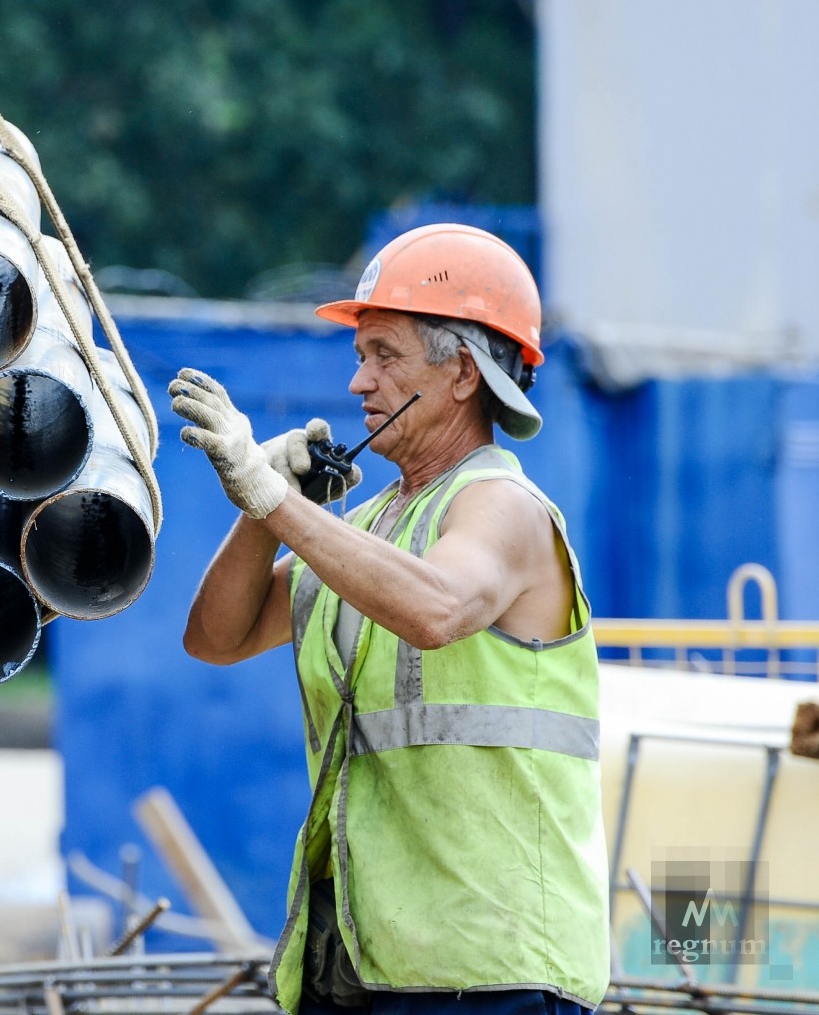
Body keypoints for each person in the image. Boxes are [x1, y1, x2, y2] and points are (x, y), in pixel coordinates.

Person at [169, 224, 609, 1015]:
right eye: (359, 356)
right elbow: (215, 638)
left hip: (493, 969)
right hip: (368, 962)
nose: (358, 384)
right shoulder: (366, 527)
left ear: (463, 375)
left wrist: (277, 504)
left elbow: (437, 609)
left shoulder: (502, 507)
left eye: (384, 355)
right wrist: (262, 509)